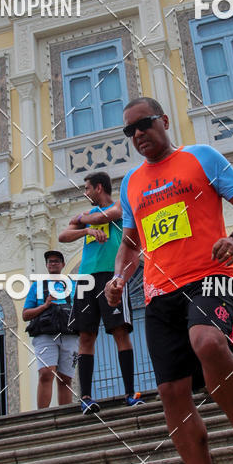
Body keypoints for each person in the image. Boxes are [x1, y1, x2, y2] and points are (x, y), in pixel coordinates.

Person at [105, 97, 233, 464]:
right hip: (159, 294)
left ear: (163, 120)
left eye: (143, 124)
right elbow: (131, 241)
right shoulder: (130, 184)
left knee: (209, 343)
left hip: (210, 276)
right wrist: (119, 277)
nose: (138, 134)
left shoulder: (201, 157)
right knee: (170, 393)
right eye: (129, 131)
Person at [59, 172, 143, 415]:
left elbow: (114, 214)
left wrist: (85, 219)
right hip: (86, 278)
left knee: (120, 332)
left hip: (111, 276)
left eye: (87, 188)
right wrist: (86, 230)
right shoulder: (86, 220)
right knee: (86, 337)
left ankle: (131, 393)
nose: (85, 193)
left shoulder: (118, 205)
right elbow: (63, 236)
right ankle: (85, 397)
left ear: (98, 187)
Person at [22, 250, 80, 409]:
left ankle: (65, 416)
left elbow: (82, 309)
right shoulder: (37, 286)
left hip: (69, 335)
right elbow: (25, 315)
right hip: (45, 335)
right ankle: (43, 416)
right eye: (50, 261)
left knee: (65, 378)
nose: (53, 263)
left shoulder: (73, 285)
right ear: (47, 266)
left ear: (62, 264)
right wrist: (45, 306)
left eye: (56, 261)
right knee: (46, 373)